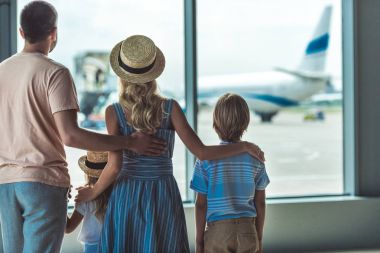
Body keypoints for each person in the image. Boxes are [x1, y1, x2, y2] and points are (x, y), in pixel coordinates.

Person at [0, 2, 165, 253]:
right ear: (54, 33)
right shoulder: (55, 73)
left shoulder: (2, 71)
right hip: (42, 181)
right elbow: (70, 135)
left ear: (22, 32)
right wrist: (130, 142)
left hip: (5, 183)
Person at [76, 35, 265, 253]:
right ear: (154, 72)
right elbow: (202, 152)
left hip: (127, 194)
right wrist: (243, 146)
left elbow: (115, 166)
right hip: (162, 193)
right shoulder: (170, 108)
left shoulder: (114, 112)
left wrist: (93, 192)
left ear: (122, 76)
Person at [190, 93, 270, 253]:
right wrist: (258, 238)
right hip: (247, 229)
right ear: (246, 123)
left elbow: (201, 205)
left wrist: (199, 242)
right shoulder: (256, 158)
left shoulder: (206, 160)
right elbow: (260, 203)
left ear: (215, 124)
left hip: (217, 232)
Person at [66, 151, 112, 253]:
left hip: (92, 248)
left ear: (88, 174)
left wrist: (63, 197)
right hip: (117, 245)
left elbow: (68, 228)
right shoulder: (120, 195)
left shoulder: (85, 197)